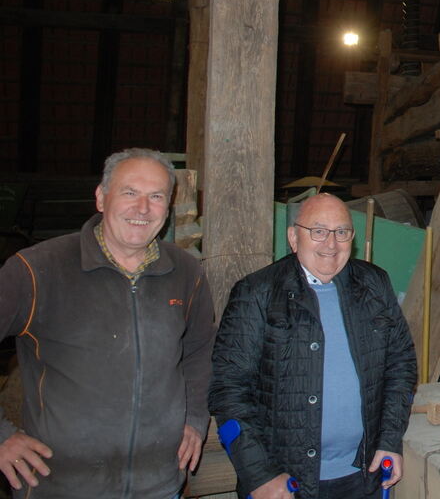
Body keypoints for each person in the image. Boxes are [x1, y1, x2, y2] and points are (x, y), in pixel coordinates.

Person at [0, 148, 216, 498]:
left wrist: (193, 419)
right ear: (101, 198)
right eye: (130, 192)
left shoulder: (186, 272)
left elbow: (199, 351)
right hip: (60, 486)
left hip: (159, 485)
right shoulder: (36, 269)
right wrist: (2, 438)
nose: (142, 208)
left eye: (156, 196)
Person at [209, 193, 416, 499]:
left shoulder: (374, 284)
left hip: (364, 475)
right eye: (318, 231)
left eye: (341, 232)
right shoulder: (257, 293)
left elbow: (401, 366)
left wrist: (389, 440)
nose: (331, 244)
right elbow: (228, 389)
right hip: (285, 482)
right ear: (294, 238)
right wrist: (259, 474)